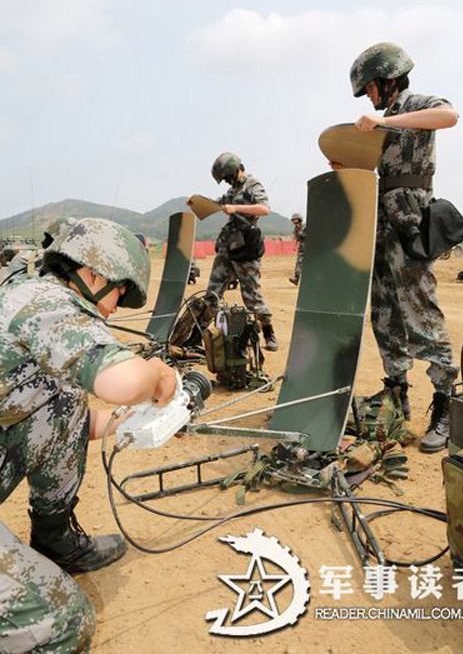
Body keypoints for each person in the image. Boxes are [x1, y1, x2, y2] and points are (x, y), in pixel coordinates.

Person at [0, 217, 177, 651]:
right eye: (119, 290)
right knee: (61, 622)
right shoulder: (47, 302)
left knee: (66, 402)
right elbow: (124, 382)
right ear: (93, 272)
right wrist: (155, 373)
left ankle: (54, 538)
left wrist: (130, 420)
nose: (116, 306)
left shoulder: (25, 293)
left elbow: (76, 419)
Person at [350, 42, 459, 452]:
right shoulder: (384, 121)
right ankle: (397, 394)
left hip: (410, 223)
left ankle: (446, 405)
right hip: (381, 228)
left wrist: (385, 125)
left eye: (370, 90)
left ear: (386, 80)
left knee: (421, 314)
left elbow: (450, 115)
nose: (370, 99)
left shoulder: (417, 105)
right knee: (384, 314)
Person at [192, 152, 278, 351]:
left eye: (228, 177)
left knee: (252, 297)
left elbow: (265, 209)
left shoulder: (252, 184)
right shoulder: (233, 190)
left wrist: (235, 208)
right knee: (212, 293)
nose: (228, 182)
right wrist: (200, 204)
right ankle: (197, 334)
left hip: (245, 248)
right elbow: (220, 204)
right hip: (227, 247)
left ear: (236, 170)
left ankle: (268, 332)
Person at [289, 213, 306, 286]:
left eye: (295, 219)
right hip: (302, 248)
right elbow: (297, 239)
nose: (294, 221)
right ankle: (296, 279)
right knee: (298, 263)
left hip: (308, 247)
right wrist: (295, 246)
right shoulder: (296, 228)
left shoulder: (305, 227)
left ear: (299, 219)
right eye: (293, 219)